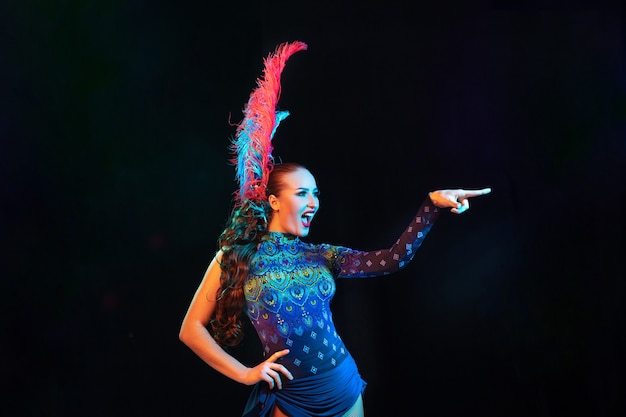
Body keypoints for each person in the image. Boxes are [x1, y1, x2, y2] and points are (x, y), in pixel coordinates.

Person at [179, 41, 491, 417]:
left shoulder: (322, 254)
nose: (313, 201)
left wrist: (431, 207)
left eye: (316, 193)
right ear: (274, 201)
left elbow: (391, 260)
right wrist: (246, 373)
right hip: (291, 398)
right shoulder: (236, 256)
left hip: (343, 389)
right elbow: (191, 329)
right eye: (302, 193)